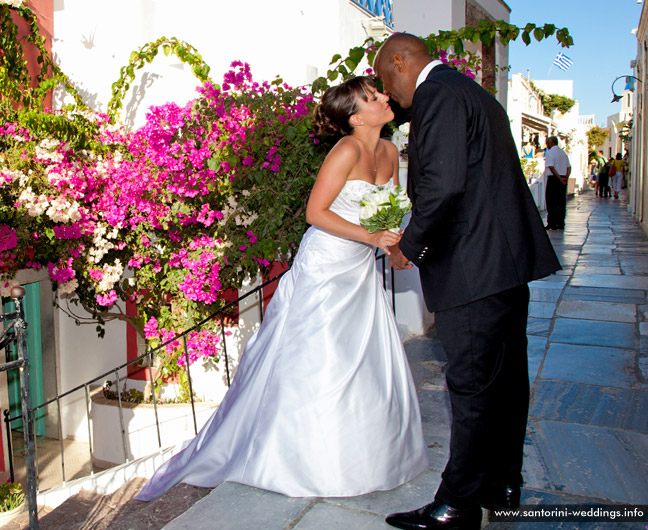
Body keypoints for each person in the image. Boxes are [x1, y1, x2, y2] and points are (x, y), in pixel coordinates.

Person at [135, 76, 428, 501]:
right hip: (327, 266)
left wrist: (394, 247)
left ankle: (368, 453)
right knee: (323, 358)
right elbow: (315, 212)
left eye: (381, 93)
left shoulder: (388, 150)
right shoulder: (345, 150)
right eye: (373, 96)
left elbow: (385, 214)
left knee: (363, 356)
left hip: (360, 269)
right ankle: (304, 459)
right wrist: (369, 238)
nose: (385, 98)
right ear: (356, 116)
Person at [373, 33, 560, 530]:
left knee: (472, 383)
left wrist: (406, 246)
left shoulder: (438, 95)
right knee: (505, 380)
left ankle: (457, 502)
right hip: (501, 263)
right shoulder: (470, 90)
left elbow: (443, 183)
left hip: (473, 266)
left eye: (386, 79)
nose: (389, 93)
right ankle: (501, 482)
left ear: (400, 61)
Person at [543, 136, 571, 230]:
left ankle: (552, 223)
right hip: (563, 178)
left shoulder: (550, 153)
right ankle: (560, 222)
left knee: (551, 201)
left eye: (548, 142)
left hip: (554, 178)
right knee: (561, 201)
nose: (547, 144)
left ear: (552, 142)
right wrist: (565, 178)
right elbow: (569, 167)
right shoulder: (563, 153)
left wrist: (559, 178)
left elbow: (551, 167)